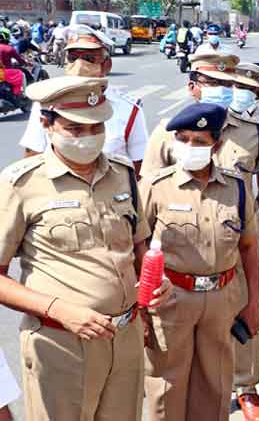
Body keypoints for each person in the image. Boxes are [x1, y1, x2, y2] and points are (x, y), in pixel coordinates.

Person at [0, 76, 171, 421]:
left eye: (96, 127)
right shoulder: (20, 184)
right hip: (60, 343)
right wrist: (58, 309)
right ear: (47, 124)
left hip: (124, 338)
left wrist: (155, 282)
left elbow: (137, 242)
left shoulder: (121, 175)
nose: (88, 138)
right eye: (75, 129)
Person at [141, 51, 259, 421]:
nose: (191, 146)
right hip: (172, 291)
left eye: (200, 141)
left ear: (216, 145)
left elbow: (253, 230)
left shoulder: (240, 171)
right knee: (166, 390)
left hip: (224, 279)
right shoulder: (160, 162)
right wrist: (140, 303)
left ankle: (247, 386)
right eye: (184, 139)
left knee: (214, 385)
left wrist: (254, 298)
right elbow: (138, 237)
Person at [20, 26, 149, 176]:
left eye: (89, 58)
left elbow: (138, 167)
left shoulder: (129, 110)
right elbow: (33, 155)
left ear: (107, 64)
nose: (79, 64)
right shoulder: (46, 103)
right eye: (72, 58)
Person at [0, 27, 31, 97]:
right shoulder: (9, 48)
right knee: (22, 74)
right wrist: (27, 64)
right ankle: (24, 94)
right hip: (5, 73)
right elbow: (20, 60)